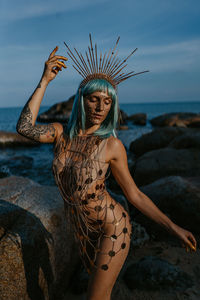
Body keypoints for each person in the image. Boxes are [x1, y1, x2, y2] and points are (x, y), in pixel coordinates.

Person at [16, 40, 197, 300]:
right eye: (94, 100)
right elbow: (24, 127)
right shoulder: (60, 134)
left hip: (113, 228)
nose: (101, 108)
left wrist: (173, 227)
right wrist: (44, 81)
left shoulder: (112, 145)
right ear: (82, 101)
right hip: (83, 230)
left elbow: (134, 195)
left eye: (107, 102)